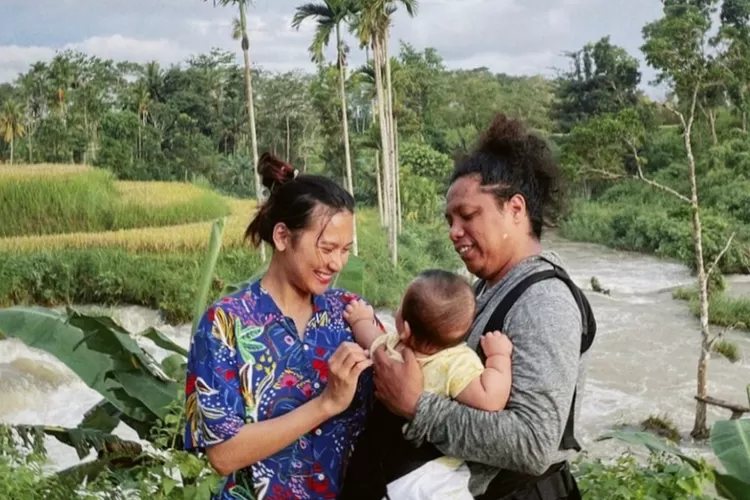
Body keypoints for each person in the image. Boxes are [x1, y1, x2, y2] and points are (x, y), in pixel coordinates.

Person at [342, 113, 596, 500]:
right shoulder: (481, 289)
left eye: (468, 216)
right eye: (450, 220)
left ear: (515, 208)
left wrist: (416, 406)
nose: (454, 232)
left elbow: (532, 443)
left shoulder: (544, 301)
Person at [183, 152, 381, 500]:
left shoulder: (351, 313)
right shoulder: (226, 323)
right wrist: (326, 403)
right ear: (282, 237)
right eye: (326, 248)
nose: (336, 263)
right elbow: (222, 455)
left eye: (346, 250)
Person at [343, 269, 514, 499]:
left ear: (406, 329)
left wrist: (359, 318)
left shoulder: (395, 348)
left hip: (385, 464)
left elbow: (369, 336)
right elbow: (491, 399)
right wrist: (498, 358)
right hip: (435, 472)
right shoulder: (457, 363)